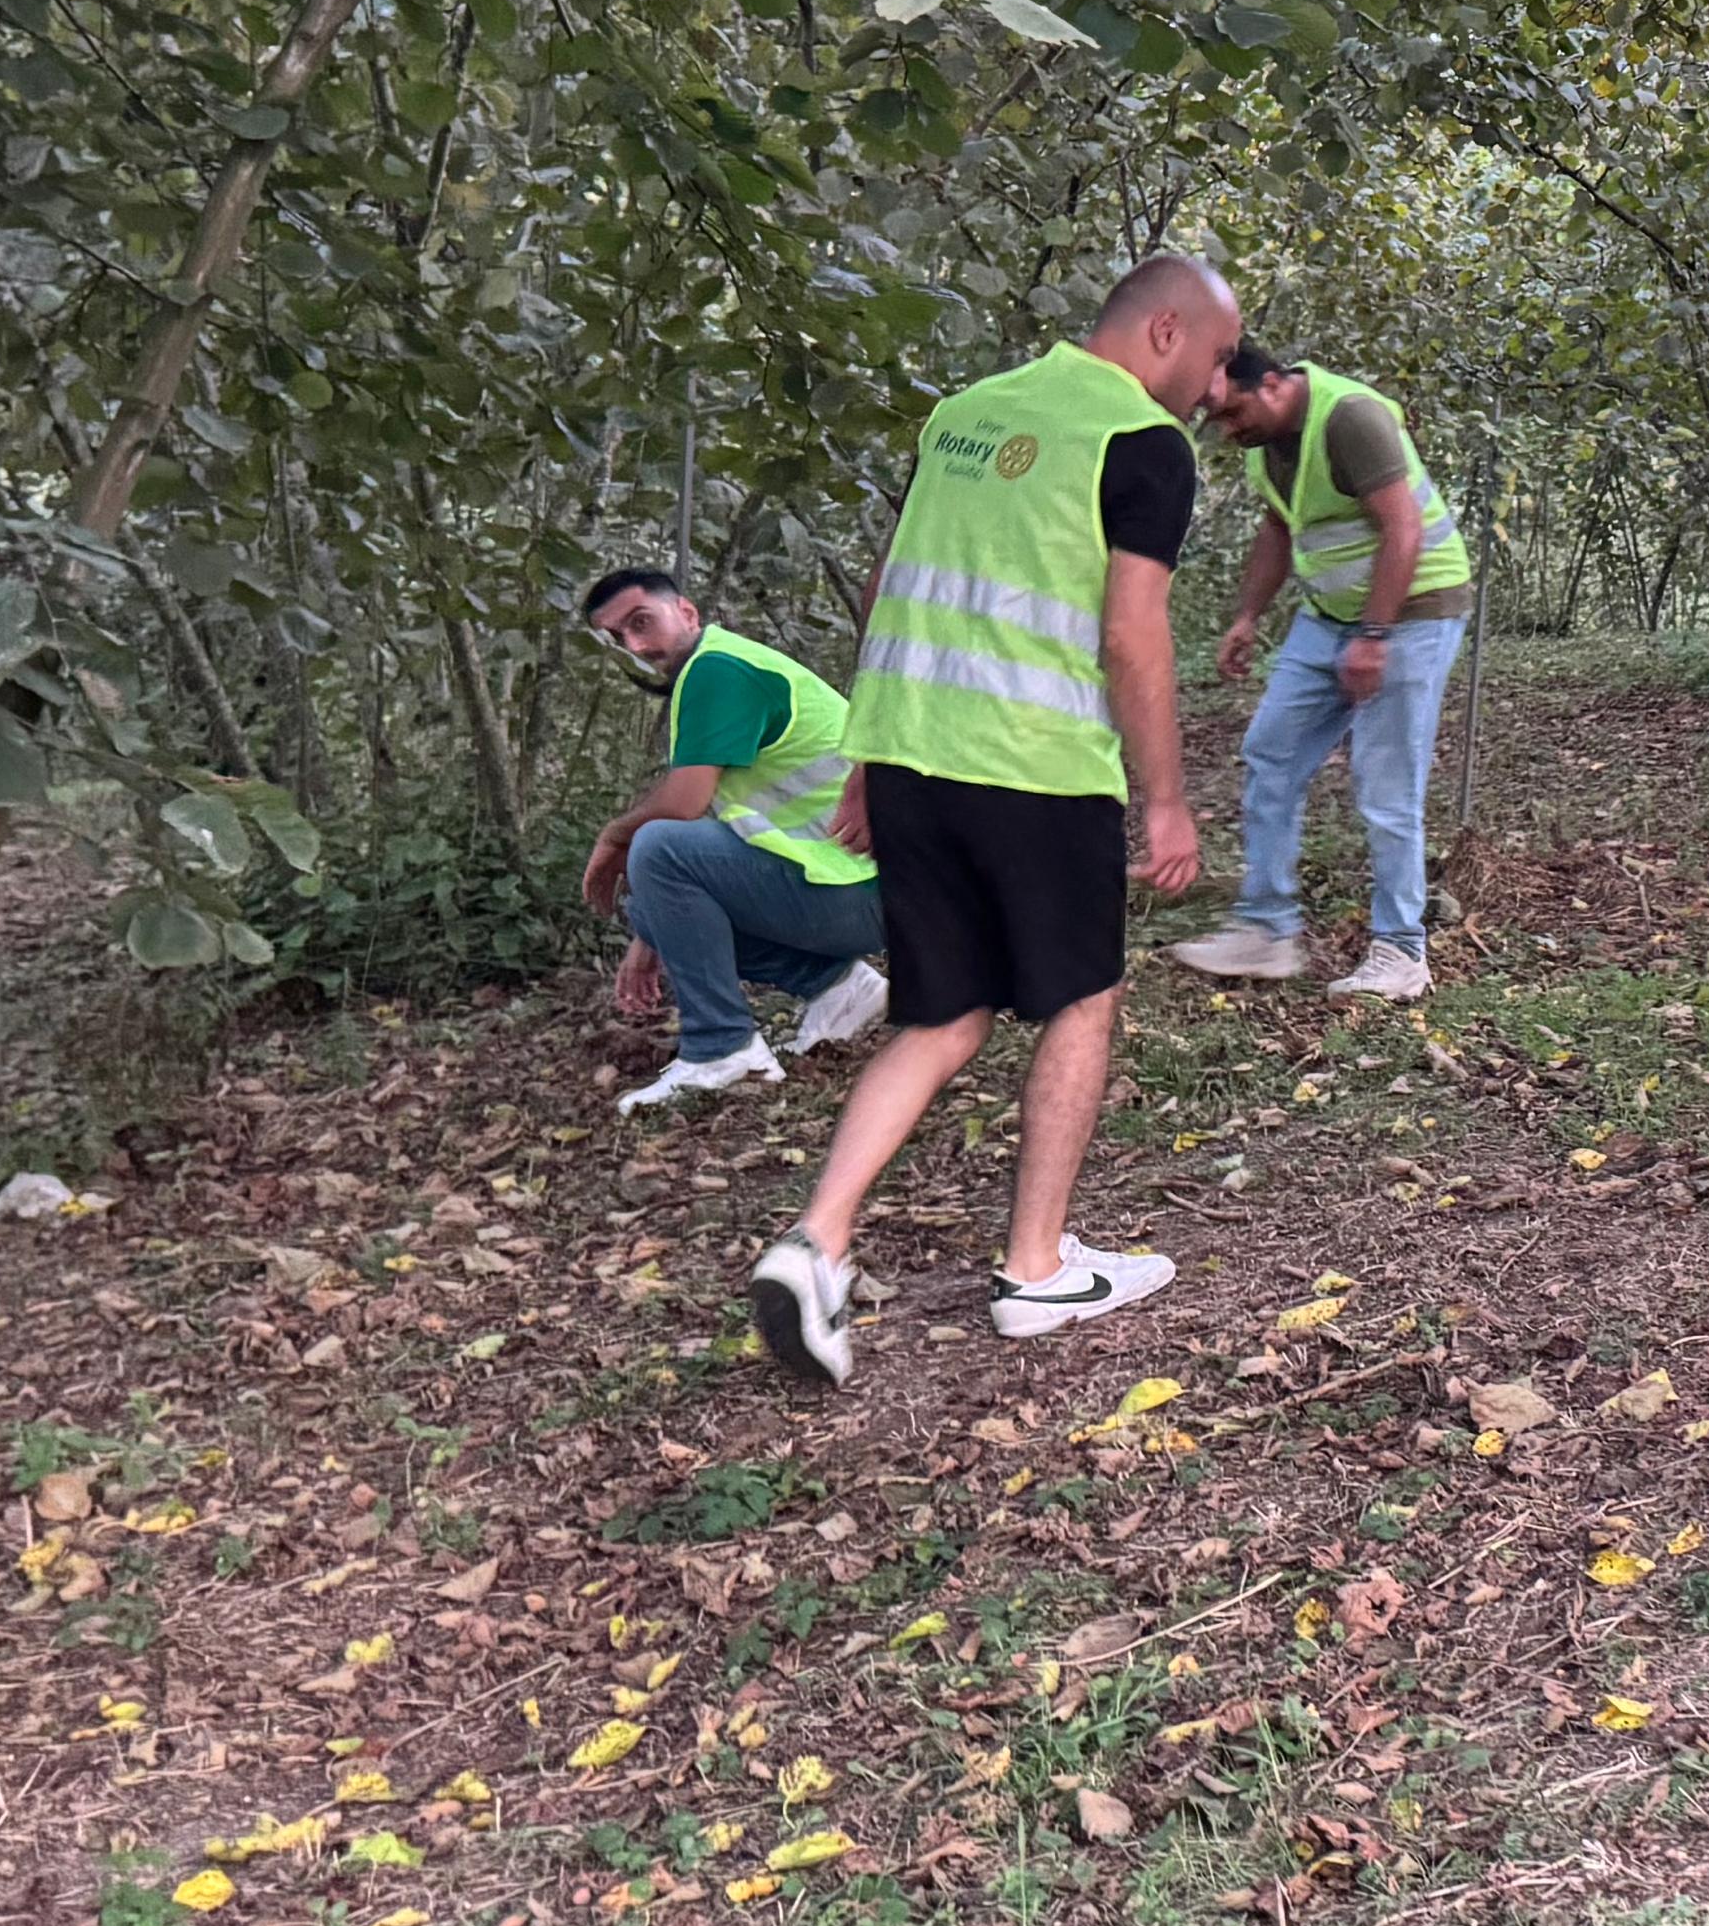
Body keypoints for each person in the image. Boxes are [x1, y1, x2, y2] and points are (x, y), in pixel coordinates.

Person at [746, 252, 1240, 1389]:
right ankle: (1036, 1269)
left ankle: (815, 1244)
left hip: (912, 757)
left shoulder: (964, 414)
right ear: (1165, 333)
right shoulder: (1140, 443)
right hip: (1036, 769)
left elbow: (891, 587)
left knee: (941, 1013)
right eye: (1216, 359)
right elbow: (1132, 635)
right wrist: (1167, 797)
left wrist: (867, 757)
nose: (1217, 389)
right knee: (1082, 999)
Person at [1168, 342, 1471, 1002]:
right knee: (1271, 751)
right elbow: (1279, 531)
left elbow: (1402, 530)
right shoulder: (1268, 444)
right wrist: (1247, 616)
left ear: (1274, 384)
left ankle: (1401, 950)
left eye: (1233, 412)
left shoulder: (1350, 418)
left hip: (1413, 611)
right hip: (1330, 617)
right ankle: (1267, 929)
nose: (1228, 430)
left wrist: (1374, 635)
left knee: (1386, 785)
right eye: (1218, 420)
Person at [575, 570, 891, 1111]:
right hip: (854, 884)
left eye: (641, 622)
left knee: (658, 844)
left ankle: (721, 1049)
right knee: (651, 888)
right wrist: (650, 933)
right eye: (617, 638)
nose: (634, 646)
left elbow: (683, 804)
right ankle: (841, 991)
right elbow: (717, 829)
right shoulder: (717, 666)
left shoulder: (718, 669)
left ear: (687, 613)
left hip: (871, 887)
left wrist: (613, 835)